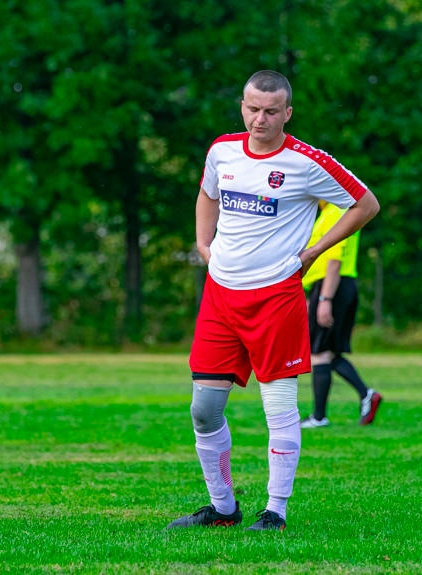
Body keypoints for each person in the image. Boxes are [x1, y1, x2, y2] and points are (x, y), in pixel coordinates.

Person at [167, 70, 379, 532]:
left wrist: (313, 252)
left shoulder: (307, 162)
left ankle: (275, 511)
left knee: (278, 409)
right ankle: (223, 508)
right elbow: (207, 196)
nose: (259, 119)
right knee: (203, 410)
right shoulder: (222, 150)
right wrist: (205, 246)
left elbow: (365, 203)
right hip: (220, 296)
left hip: (276, 297)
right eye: (251, 108)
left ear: (287, 112)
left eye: (269, 111)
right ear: (242, 106)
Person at [299, 201, 382, 429]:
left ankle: (319, 416)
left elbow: (334, 261)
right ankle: (367, 395)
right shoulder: (327, 213)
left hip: (332, 286)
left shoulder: (337, 211)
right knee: (327, 352)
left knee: (320, 353)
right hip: (327, 287)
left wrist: (325, 299)